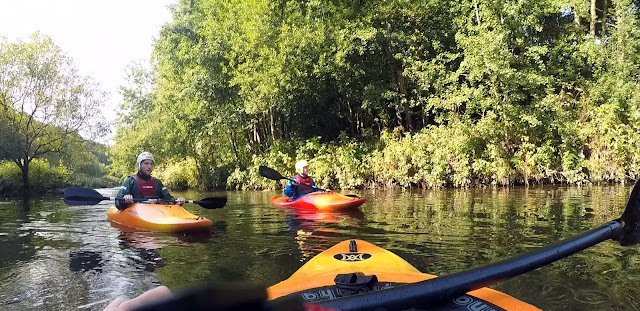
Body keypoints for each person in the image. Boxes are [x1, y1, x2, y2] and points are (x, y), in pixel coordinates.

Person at [115, 152, 185, 210]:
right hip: (137, 211)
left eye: (151, 164)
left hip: (155, 211)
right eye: (146, 163)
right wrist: (125, 199)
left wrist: (177, 201)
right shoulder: (130, 181)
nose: (149, 166)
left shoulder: (157, 182)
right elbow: (118, 202)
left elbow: (169, 199)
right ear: (139, 165)